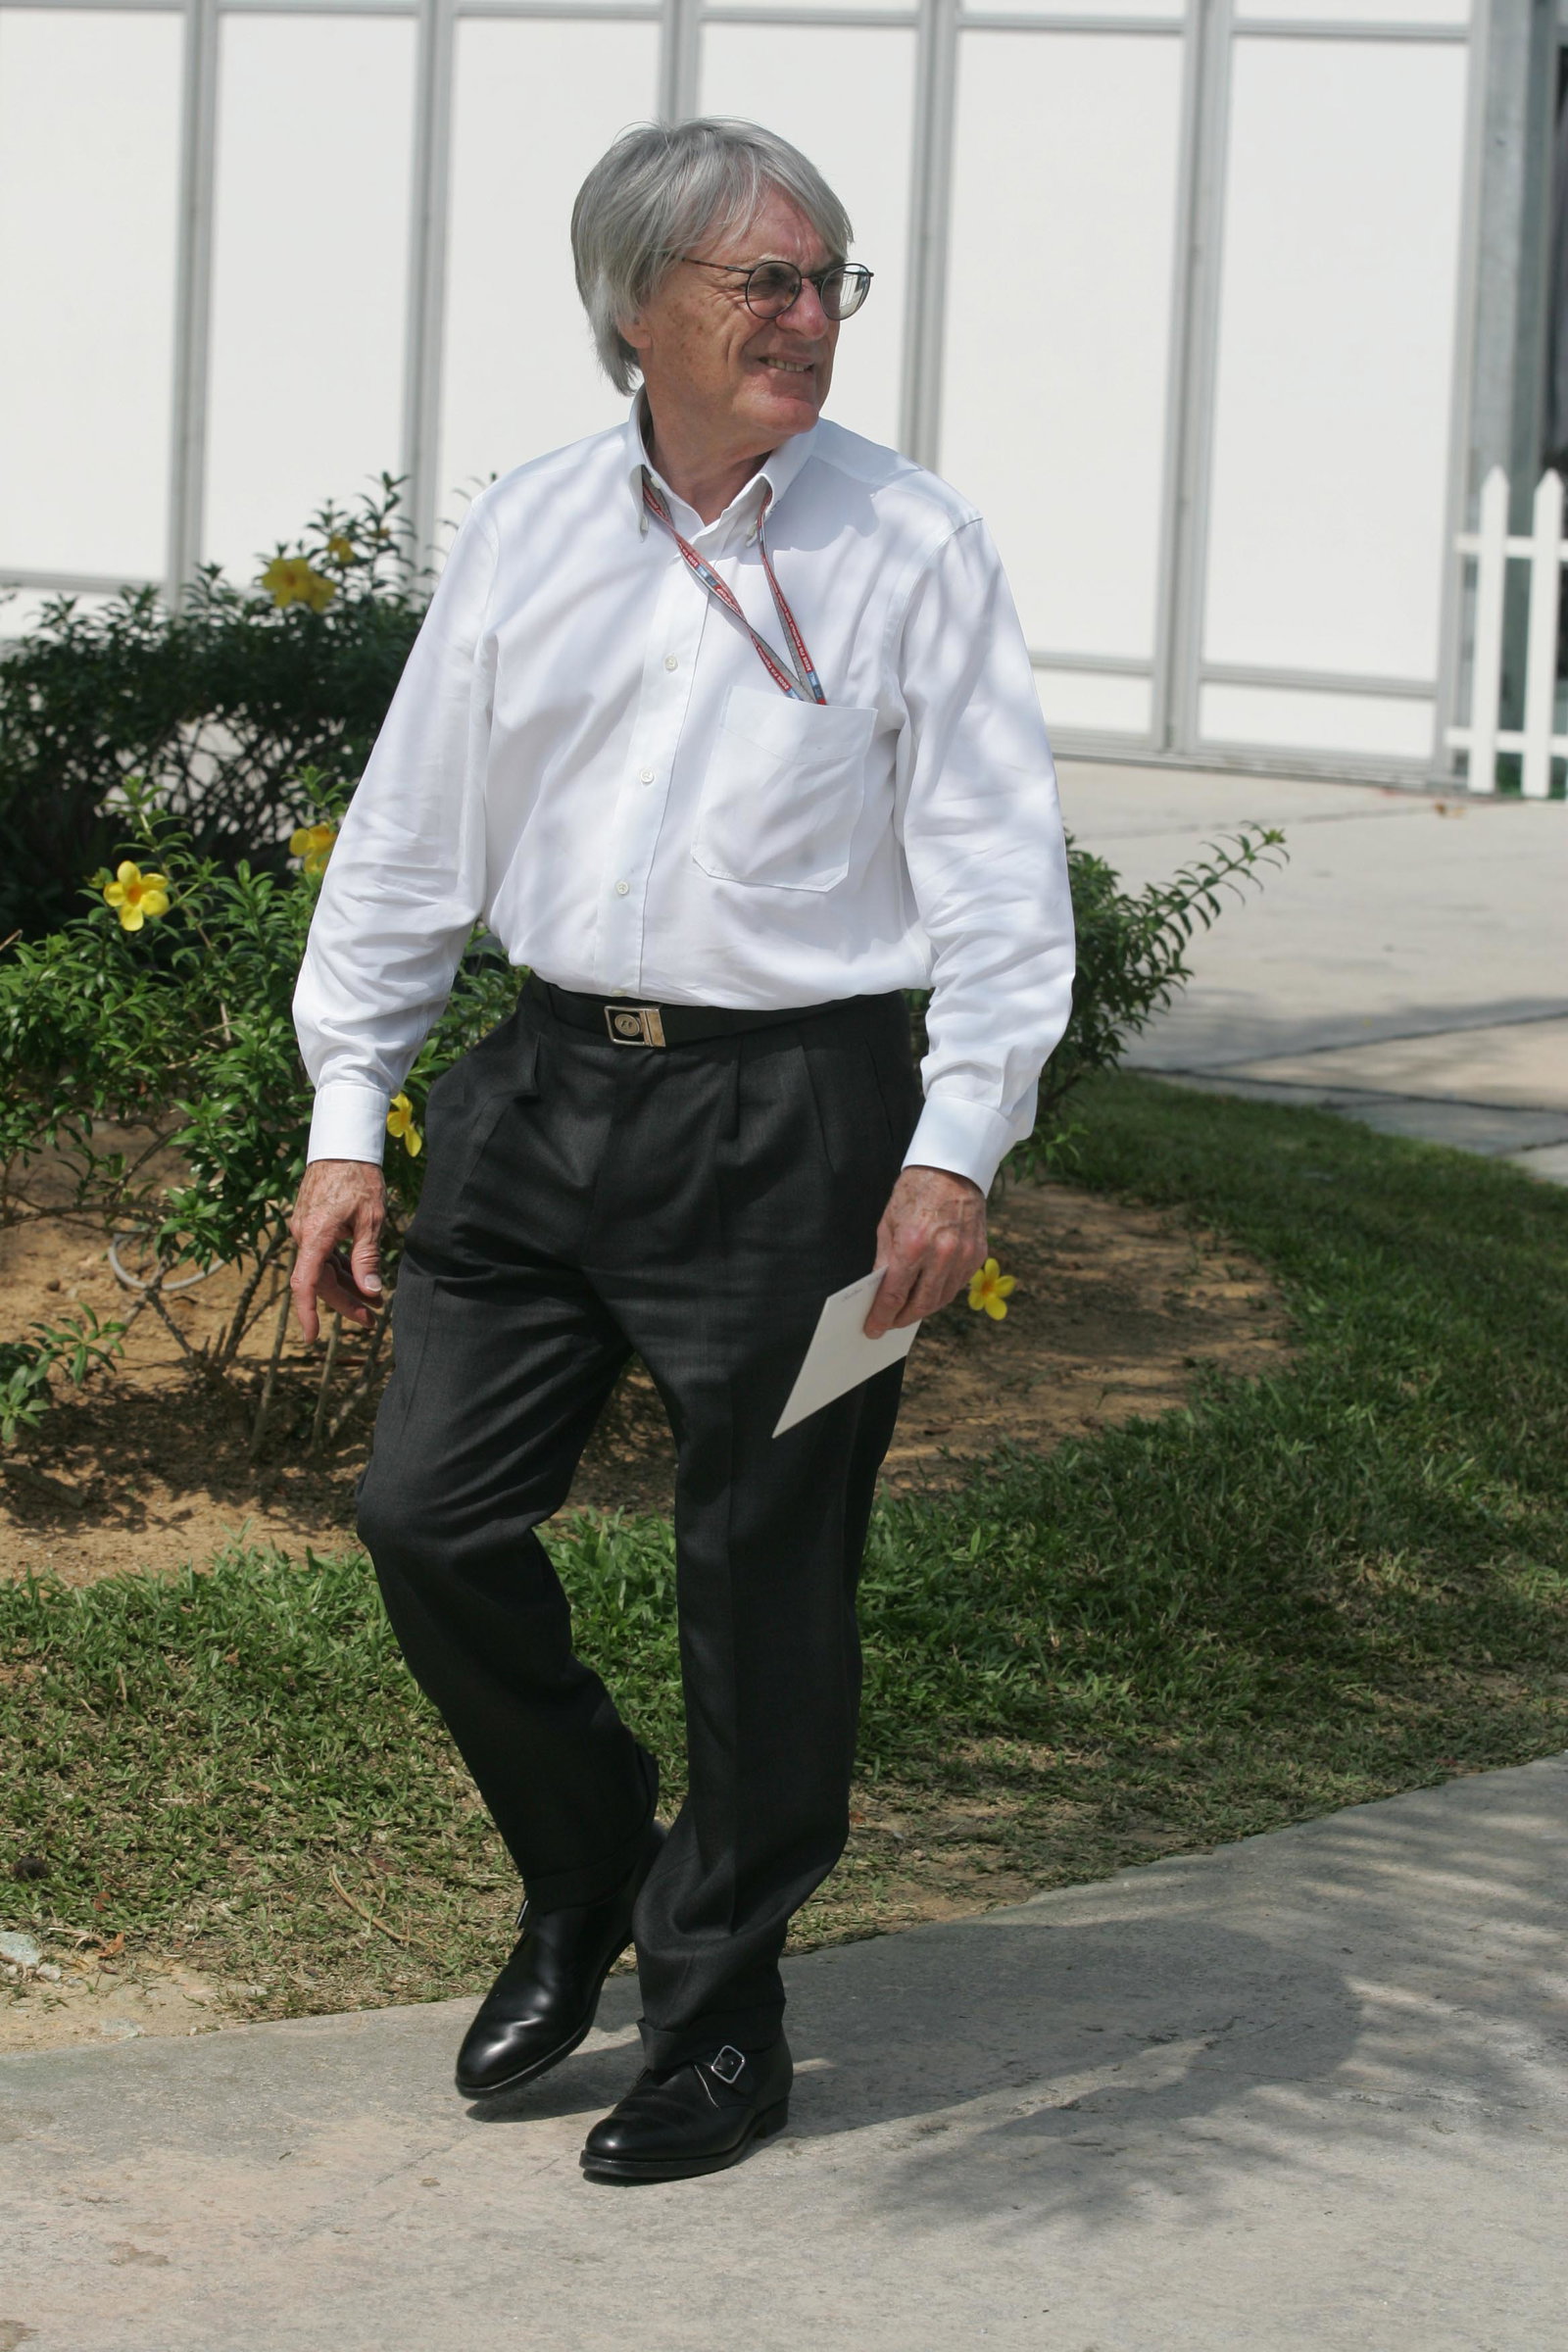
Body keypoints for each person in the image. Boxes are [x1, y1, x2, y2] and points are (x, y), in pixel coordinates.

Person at [288, 116, 1074, 2185]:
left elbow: (1002, 883)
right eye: (764, 282)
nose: (809, 318)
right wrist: (347, 1114)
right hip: (544, 1100)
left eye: (829, 282)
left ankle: (717, 2019)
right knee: (425, 1517)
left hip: (808, 1129)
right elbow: (409, 836)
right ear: (637, 306)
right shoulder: (532, 528)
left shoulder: (912, 544)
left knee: (764, 1570)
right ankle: (588, 1866)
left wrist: (954, 1150)